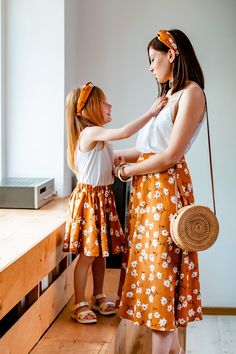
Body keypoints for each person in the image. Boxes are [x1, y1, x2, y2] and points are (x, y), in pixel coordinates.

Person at [114, 29, 205, 354]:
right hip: (149, 196)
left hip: (164, 194)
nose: (151, 68)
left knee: (160, 281)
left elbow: (170, 156)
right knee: (155, 277)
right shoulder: (171, 96)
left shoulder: (192, 93)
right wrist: (122, 155)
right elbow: (151, 149)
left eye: (153, 59)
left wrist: (126, 171)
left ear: (172, 54)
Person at [63, 81, 168, 325]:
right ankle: (79, 302)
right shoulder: (89, 133)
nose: (109, 105)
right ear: (89, 109)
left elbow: (109, 164)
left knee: (100, 253)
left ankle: (98, 294)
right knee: (87, 256)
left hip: (102, 197)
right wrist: (152, 113)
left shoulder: (100, 139)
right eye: (103, 102)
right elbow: (125, 132)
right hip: (91, 200)